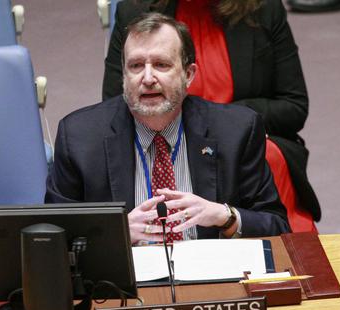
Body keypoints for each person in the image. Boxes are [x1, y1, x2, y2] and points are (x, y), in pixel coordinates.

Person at [46, 13, 289, 244]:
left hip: (212, 278)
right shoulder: (80, 138)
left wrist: (224, 216)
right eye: (136, 66)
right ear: (123, 75)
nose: (148, 78)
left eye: (161, 65)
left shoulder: (236, 131)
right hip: (124, 282)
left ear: (188, 74)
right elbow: (52, 237)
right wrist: (113, 232)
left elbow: (278, 227)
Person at [103, 0, 320, 231]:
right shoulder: (134, 10)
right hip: (162, 134)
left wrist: (229, 123)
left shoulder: (263, 8)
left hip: (245, 143)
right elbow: (115, 106)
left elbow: (294, 107)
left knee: (268, 156)